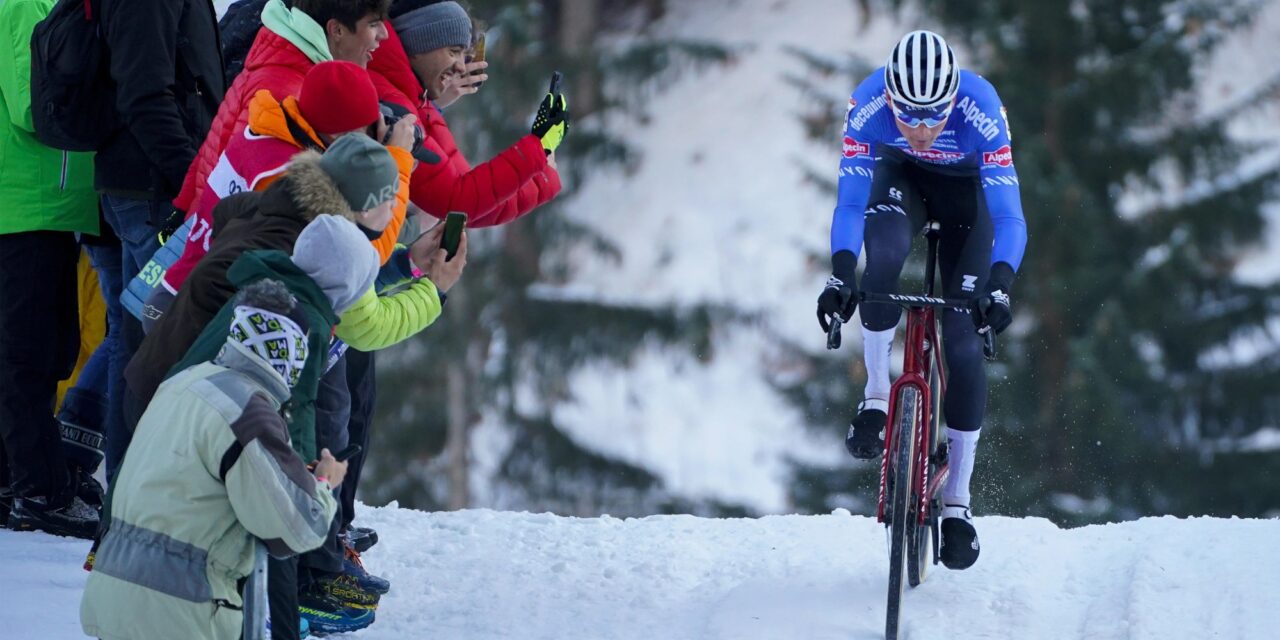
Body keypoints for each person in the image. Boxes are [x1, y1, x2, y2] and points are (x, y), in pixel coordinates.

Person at [816, 30, 1027, 571]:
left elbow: (1009, 218)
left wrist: (999, 283)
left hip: (969, 202)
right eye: (909, 117)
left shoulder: (980, 108)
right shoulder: (867, 104)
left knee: (962, 341)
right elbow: (849, 202)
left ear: (953, 98)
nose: (924, 129)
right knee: (879, 265)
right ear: (890, 100)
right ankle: (878, 395)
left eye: (935, 116)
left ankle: (957, 501)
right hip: (901, 182)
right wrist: (842, 275)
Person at [80, 279, 348, 640]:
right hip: (181, 614)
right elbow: (297, 529)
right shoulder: (248, 411)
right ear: (292, 348)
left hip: (112, 598)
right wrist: (323, 484)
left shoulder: (183, 382)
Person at [93, 0, 226, 481]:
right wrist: (191, 181)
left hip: (146, 188)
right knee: (164, 346)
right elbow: (144, 94)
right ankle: (141, 500)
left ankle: (128, 496)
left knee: (137, 345)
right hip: (154, 194)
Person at [0, 0, 102, 538]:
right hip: (29, 204)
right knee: (28, 354)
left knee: (39, 348)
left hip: (42, 204)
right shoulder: (22, 5)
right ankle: (39, 490)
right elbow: (34, 107)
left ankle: (19, 476)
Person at [370, 0, 566, 225]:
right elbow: (458, 201)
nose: (462, 67)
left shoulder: (412, 98)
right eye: (453, 51)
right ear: (419, 44)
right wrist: (535, 151)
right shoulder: (395, 104)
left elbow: (474, 200)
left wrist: (541, 175)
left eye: (464, 55)